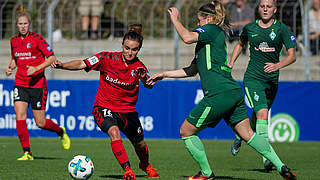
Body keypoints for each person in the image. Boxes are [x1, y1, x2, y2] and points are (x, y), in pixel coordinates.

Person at [147, 1, 296, 180]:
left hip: (219, 93)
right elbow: (191, 70)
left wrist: (175, 19)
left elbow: (186, 37)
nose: (198, 24)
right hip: (232, 91)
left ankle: (206, 173)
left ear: (209, 18)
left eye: (199, 20)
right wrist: (163, 74)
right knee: (248, 134)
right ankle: (281, 166)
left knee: (186, 132)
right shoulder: (207, 40)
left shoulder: (210, 30)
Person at [51, 24, 159, 180]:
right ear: (122, 45)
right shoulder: (105, 58)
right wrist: (62, 65)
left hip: (128, 112)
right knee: (114, 133)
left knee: (140, 145)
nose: (129, 52)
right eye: (127, 48)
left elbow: (148, 84)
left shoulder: (139, 67)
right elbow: (82, 64)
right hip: (104, 107)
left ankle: (145, 165)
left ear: (138, 50)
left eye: (134, 50)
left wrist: (146, 79)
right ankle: (127, 169)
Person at [228, 0, 297, 172]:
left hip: (272, 80)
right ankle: (267, 158)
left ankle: (240, 134)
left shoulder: (281, 29)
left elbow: (292, 56)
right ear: (258, 9)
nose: (265, 9)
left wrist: (277, 65)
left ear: (274, 10)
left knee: (257, 117)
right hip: (253, 78)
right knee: (263, 113)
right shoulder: (250, 28)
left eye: (269, 6)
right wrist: (231, 63)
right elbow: (240, 44)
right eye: (262, 6)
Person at [5, 6, 71, 161]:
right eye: (20, 24)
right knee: (20, 115)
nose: (22, 26)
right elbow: (15, 58)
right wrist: (11, 67)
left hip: (38, 85)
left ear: (29, 25)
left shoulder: (37, 39)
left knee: (40, 123)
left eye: (25, 24)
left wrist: (36, 68)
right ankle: (27, 152)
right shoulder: (13, 41)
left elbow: (52, 58)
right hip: (20, 83)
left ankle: (60, 131)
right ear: (17, 25)